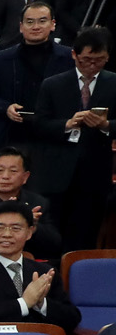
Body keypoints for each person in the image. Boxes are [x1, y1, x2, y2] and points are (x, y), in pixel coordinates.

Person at [29, 26, 114, 251]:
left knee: (87, 233)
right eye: (87, 60)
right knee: (53, 234)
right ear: (74, 54)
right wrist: (66, 124)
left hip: (95, 171)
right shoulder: (53, 84)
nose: (92, 66)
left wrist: (106, 125)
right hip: (56, 171)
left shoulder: (113, 83)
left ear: (107, 56)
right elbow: (38, 124)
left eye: (99, 60)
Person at [0, 202, 80, 332]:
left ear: (29, 232)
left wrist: (41, 303)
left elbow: (72, 318)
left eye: (16, 228)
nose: (7, 234)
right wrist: (24, 303)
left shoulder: (45, 272)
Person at [0, 2, 70, 152]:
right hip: (10, 133)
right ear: (21, 26)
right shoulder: (1, 58)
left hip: (54, 134)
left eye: (42, 21)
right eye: (30, 22)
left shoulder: (69, 57)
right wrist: (6, 107)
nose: (36, 27)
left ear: (53, 24)